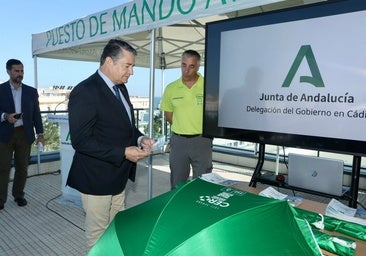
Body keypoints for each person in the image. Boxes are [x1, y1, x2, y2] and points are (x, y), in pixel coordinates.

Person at [67, 39, 155, 248]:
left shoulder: (121, 88)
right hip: (95, 177)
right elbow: (81, 141)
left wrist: (140, 138)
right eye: (128, 65)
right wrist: (123, 152)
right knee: (97, 234)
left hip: (118, 175)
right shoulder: (85, 91)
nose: (132, 72)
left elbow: (126, 126)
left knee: (116, 226)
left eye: (132, 66)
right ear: (109, 61)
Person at [160, 50, 213, 189]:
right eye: (184, 65)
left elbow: (214, 113)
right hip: (178, 142)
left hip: (202, 141)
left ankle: (199, 210)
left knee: (203, 183)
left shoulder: (209, 86)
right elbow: (169, 115)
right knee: (177, 183)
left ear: (198, 67)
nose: (186, 70)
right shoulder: (171, 88)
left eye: (191, 66)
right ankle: (177, 209)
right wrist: (182, 128)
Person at [0, 59, 45, 210]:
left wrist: (40, 134)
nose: (20, 74)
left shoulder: (31, 92)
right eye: (17, 71)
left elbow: (36, 114)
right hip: (4, 134)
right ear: (8, 71)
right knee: (3, 167)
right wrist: (5, 116)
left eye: (22, 71)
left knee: (22, 167)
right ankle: (1, 199)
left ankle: (18, 195)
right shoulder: (0, 90)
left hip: (24, 134)